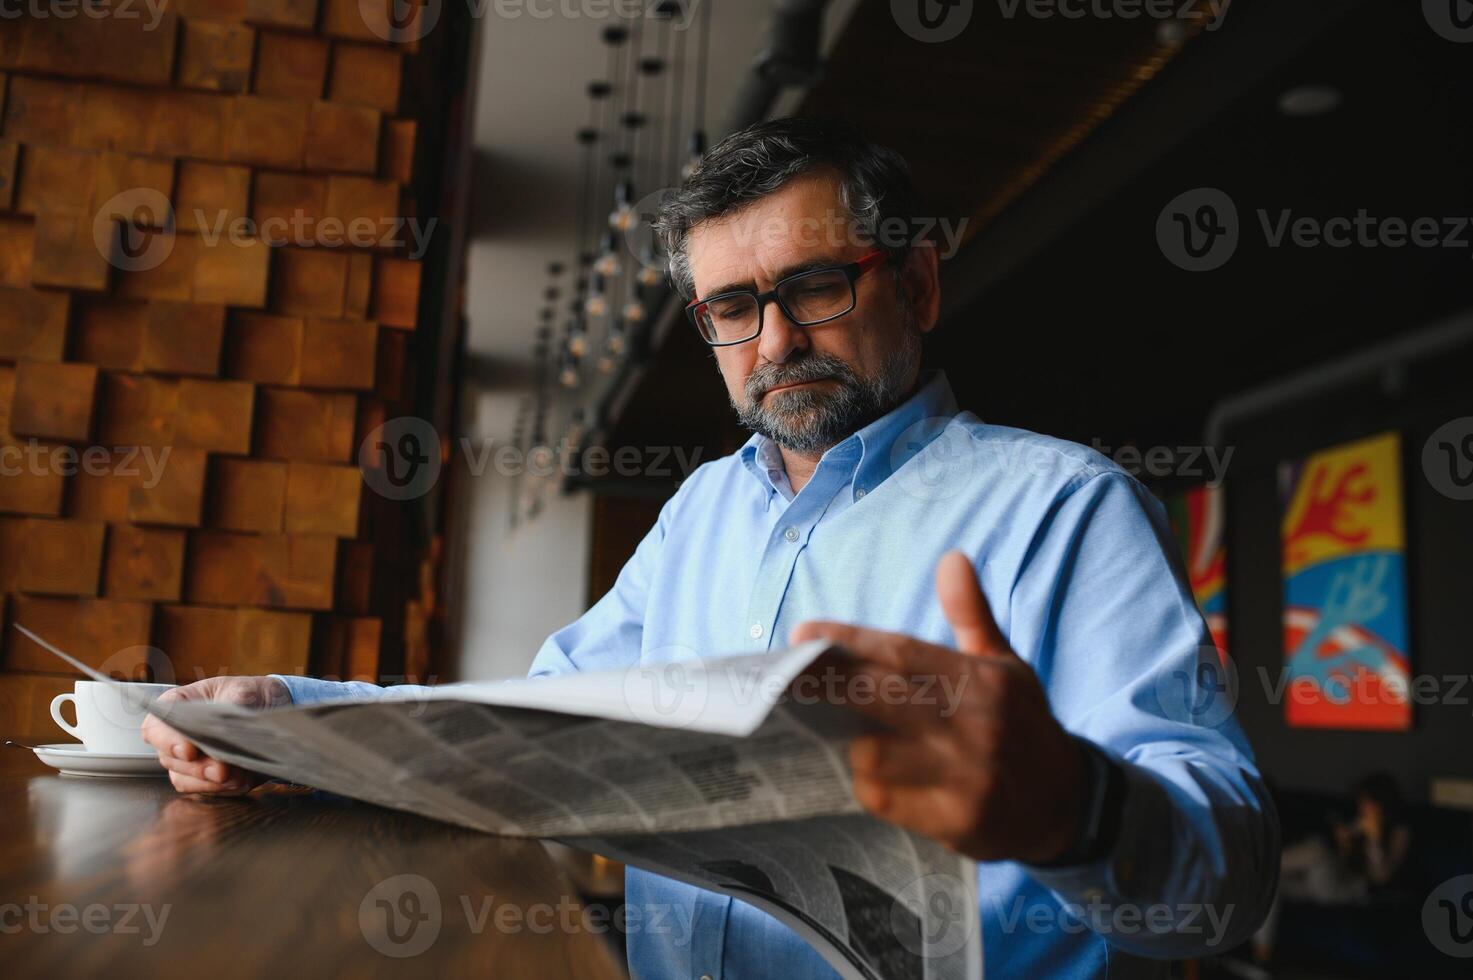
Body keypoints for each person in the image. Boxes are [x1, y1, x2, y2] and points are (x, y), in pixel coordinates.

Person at [143, 117, 1279, 979]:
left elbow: (1229, 878)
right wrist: (284, 721)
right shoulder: (698, 510)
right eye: (732, 307)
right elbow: (518, 724)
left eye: (816, 286)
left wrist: (1078, 806)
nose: (775, 337)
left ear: (920, 280)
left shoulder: (1065, 507)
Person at [1252, 772, 1412, 964]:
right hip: (1321, 881)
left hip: (1350, 889)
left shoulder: (1400, 831)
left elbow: (1380, 877)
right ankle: (1262, 957)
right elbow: (1343, 857)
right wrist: (1344, 843)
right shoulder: (1358, 821)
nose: (1364, 808)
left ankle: (1255, 867)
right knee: (1271, 884)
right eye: (1362, 803)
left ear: (1382, 804)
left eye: (1369, 803)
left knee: (1317, 848)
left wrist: (1374, 838)